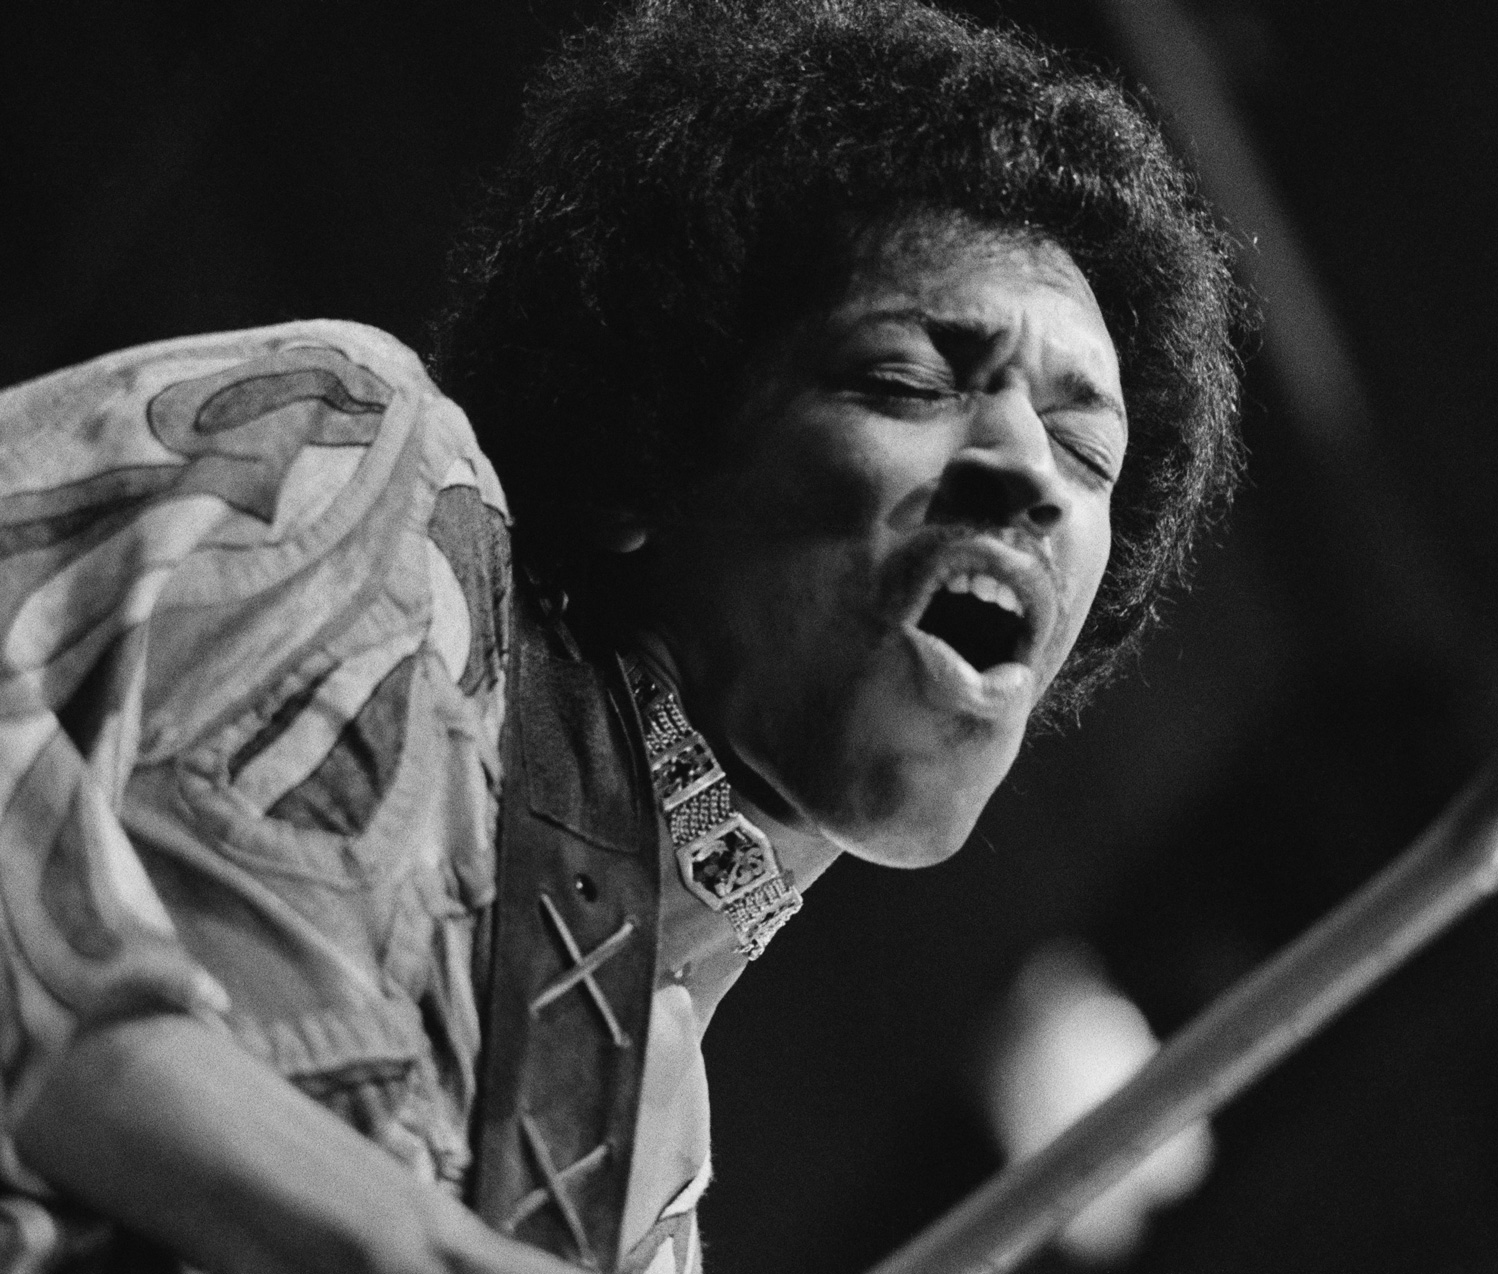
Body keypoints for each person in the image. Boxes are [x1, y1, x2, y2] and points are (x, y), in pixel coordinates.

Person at [0, 1, 1244, 1271]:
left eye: (1087, 452)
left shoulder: (656, 1198)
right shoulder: (361, 462)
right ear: (648, 448)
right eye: (908, 381)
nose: (1029, 469)